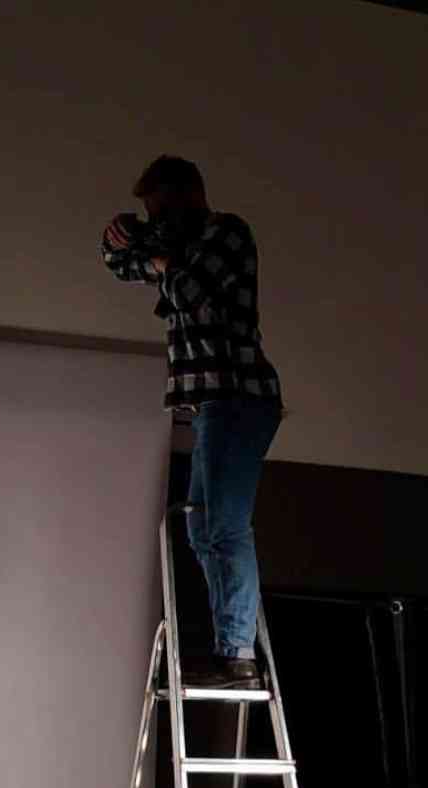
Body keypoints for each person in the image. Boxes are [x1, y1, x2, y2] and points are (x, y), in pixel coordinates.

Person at [100, 154, 285, 690]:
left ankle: (238, 654)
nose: (155, 218)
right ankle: (233, 648)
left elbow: (187, 289)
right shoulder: (176, 248)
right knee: (202, 528)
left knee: (224, 527)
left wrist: (156, 258)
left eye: (158, 208)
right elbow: (119, 264)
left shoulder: (227, 234)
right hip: (210, 405)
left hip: (239, 396)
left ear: (184, 196)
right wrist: (125, 241)